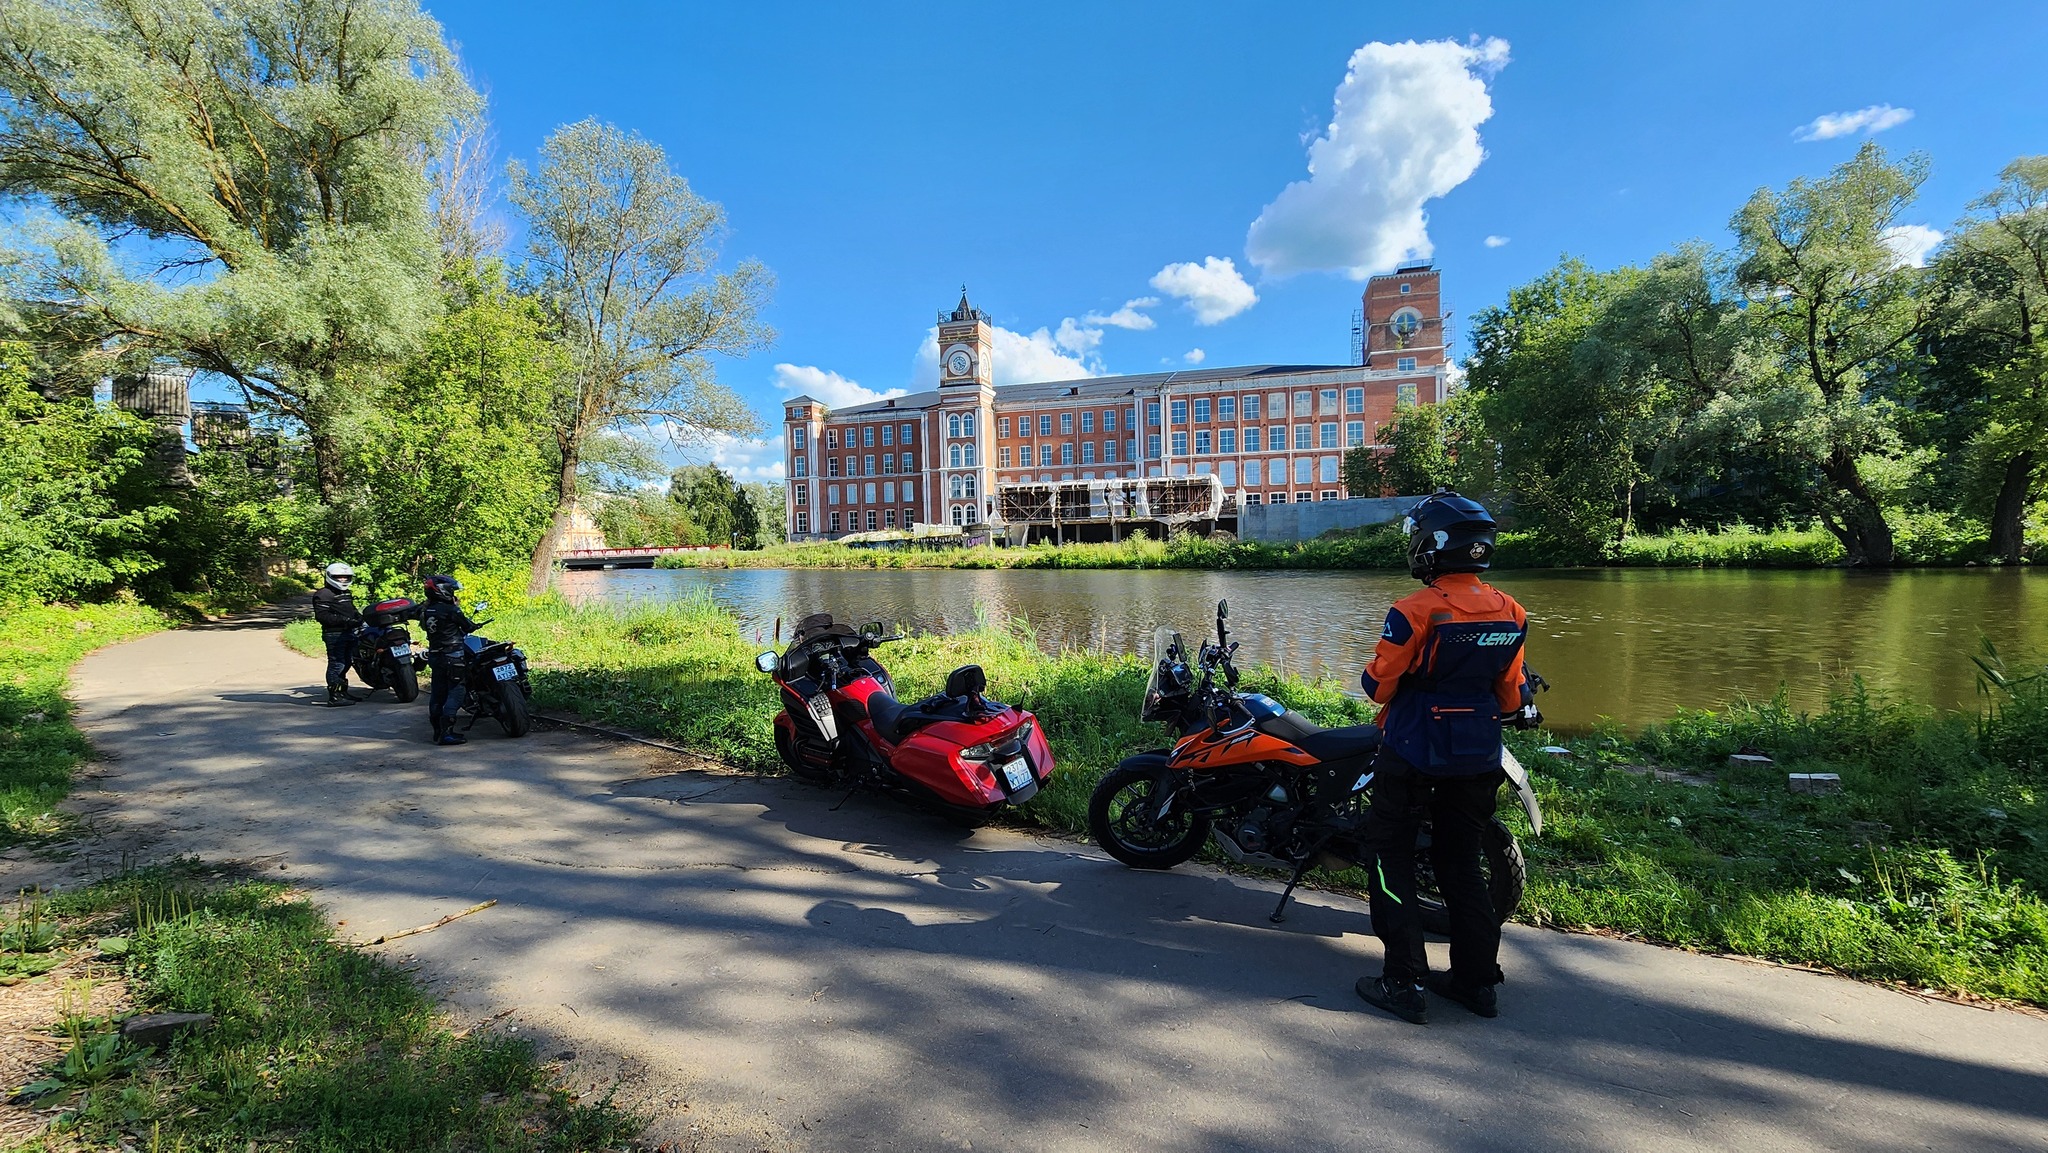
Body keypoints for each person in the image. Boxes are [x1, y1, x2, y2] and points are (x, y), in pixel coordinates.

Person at [1354, 490, 1533, 1025]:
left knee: (1391, 860)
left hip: (1412, 751)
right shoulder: (1513, 611)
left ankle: (1402, 982)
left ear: (1433, 547)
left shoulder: (1415, 611)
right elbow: (1510, 695)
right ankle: (1477, 984)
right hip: (1479, 755)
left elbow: (1377, 687)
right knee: (1461, 865)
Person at [418, 574, 477, 746]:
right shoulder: (451, 610)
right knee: (457, 692)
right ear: (442, 591)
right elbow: (467, 626)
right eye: (451, 591)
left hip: (436, 655)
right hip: (452, 655)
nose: (453, 594)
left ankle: (437, 731)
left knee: (438, 692)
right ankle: (447, 732)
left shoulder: (427, 610)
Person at [311, 562, 363, 707]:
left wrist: (358, 618)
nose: (342, 580)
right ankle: (334, 696)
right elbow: (322, 616)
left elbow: (351, 610)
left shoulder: (345, 593)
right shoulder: (323, 594)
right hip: (334, 634)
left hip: (349, 632)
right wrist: (345, 621)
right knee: (337, 664)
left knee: (346, 663)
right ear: (330, 577)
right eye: (338, 577)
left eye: (345, 577)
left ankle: (342, 692)